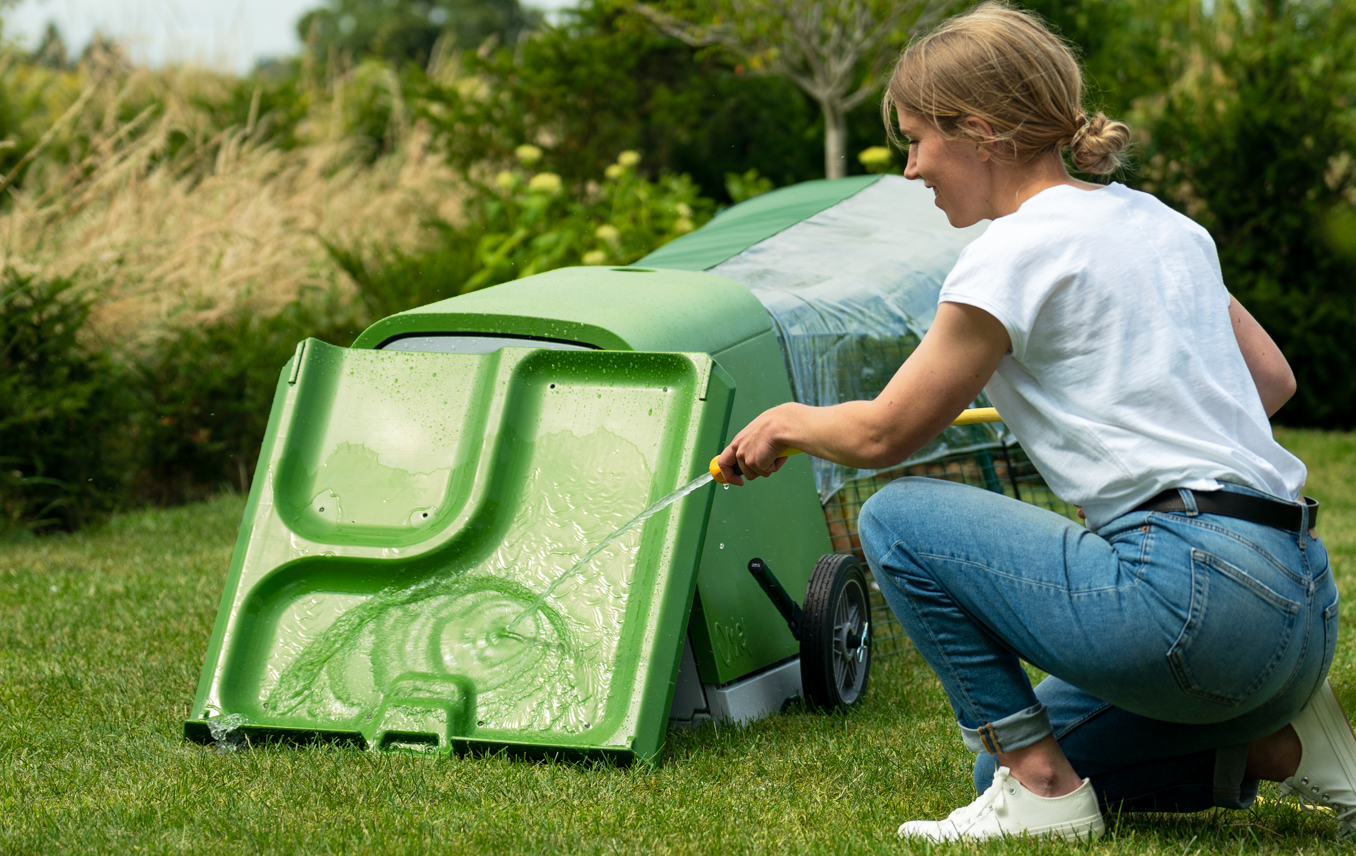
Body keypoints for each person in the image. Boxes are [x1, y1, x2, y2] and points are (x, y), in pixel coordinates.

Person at [714, 1, 1356, 842]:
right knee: (1000, 759)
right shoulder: (1162, 222)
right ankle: (1285, 745)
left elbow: (883, 437)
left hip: (1193, 602)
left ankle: (1046, 795)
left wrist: (788, 421)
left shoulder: (1011, 250)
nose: (911, 169)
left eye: (916, 139)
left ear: (979, 132)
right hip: (1301, 605)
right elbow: (1270, 380)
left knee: (897, 519)